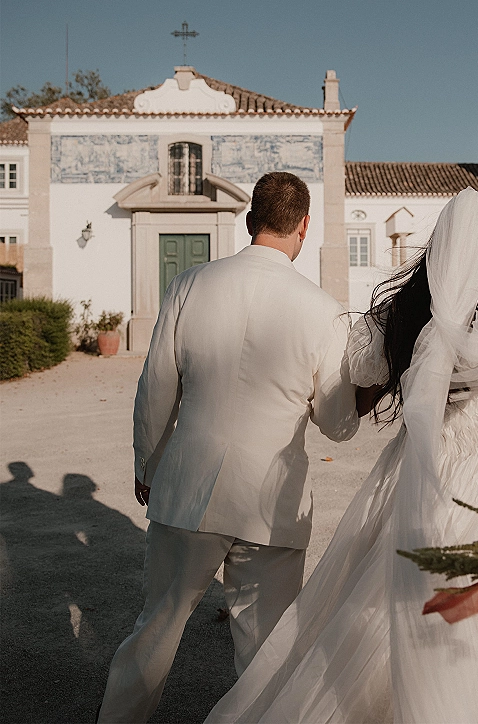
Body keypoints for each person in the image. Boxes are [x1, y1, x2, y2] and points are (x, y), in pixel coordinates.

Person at [205, 186, 478, 724]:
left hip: (412, 469)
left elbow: (354, 400)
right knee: (455, 624)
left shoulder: (394, 320)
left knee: (393, 601)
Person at [97, 171, 359, 724]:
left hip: (188, 485)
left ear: (249, 219)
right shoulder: (323, 308)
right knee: (265, 650)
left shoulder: (190, 284)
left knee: (156, 629)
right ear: (304, 226)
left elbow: (155, 389)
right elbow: (337, 423)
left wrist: (148, 462)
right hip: (272, 501)